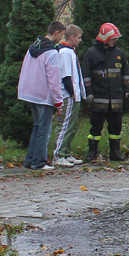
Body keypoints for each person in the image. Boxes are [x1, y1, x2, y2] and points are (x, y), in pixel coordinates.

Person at [17, 20, 66, 171]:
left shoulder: (33, 47)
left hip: (30, 92)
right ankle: (39, 162)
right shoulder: (51, 53)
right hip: (44, 95)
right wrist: (58, 102)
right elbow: (54, 80)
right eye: (62, 35)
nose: (61, 39)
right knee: (44, 130)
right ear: (56, 33)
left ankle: (30, 159)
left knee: (37, 127)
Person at [82, 22, 129, 162]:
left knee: (115, 127)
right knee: (96, 127)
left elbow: (126, 73)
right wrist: (89, 92)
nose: (115, 41)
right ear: (105, 37)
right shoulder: (91, 53)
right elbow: (85, 75)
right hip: (99, 97)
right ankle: (92, 152)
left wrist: (128, 89)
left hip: (116, 98)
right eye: (113, 38)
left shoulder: (119, 53)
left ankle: (115, 152)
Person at [52, 24, 87, 167]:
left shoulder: (71, 52)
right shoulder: (65, 53)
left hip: (75, 95)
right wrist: (72, 92)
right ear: (71, 37)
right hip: (68, 95)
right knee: (65, 124)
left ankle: (66, 152)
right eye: (78, 38)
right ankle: (58, 154)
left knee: (72, 125)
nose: (80, 40)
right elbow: (66, 75)